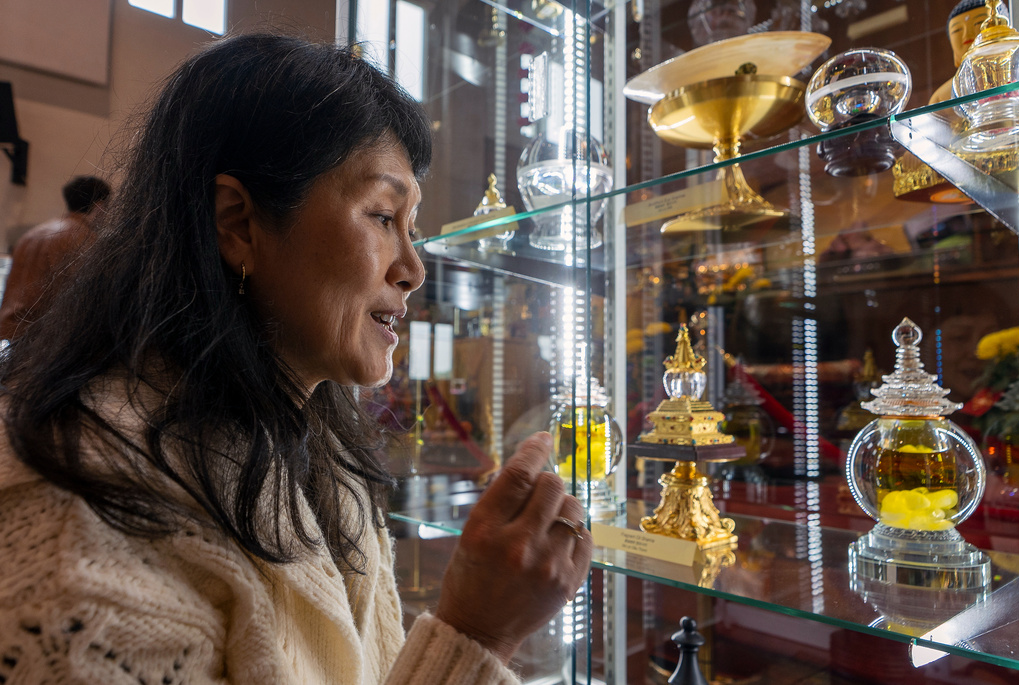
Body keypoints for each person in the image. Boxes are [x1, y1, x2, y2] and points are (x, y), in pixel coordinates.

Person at [0, 34, 592, 684]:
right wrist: (478, 632)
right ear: (238, 223)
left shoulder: (322, 467)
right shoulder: (84, 528)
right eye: (381, 215)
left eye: (412, 226)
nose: (413, 269)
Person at [0, 175, 110, 340]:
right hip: (44, 338)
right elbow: (84, 298)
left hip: (10, 332)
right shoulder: (83, 238)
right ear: (99, 206)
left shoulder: (32, 234)